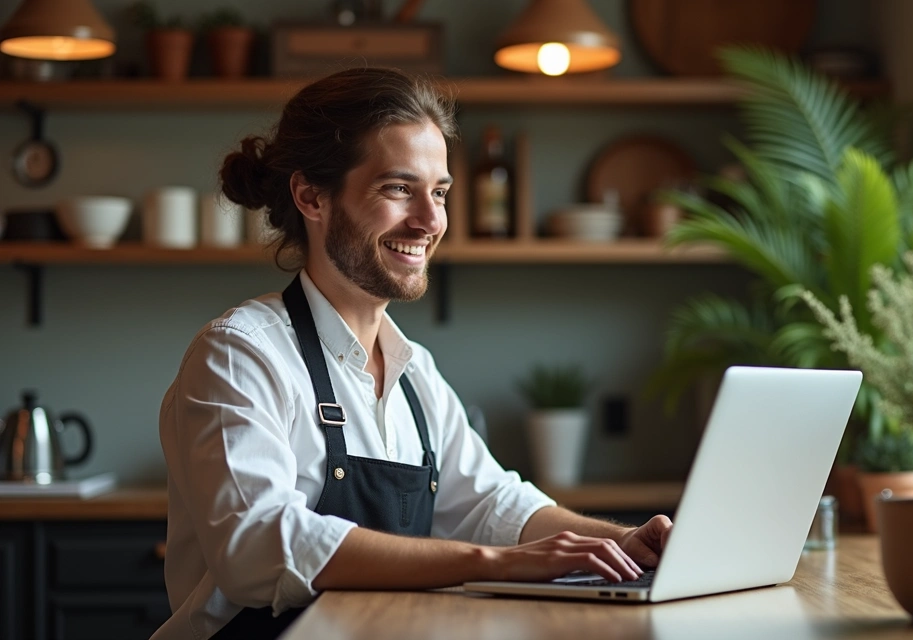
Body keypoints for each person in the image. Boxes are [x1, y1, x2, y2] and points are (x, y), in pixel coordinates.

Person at [152, 67, 672, 640]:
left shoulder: (414, 371)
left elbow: (491, 504)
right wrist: (491, 563)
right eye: (399, 189)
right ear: (311, 197)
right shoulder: (240, 354)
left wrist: (621, 542)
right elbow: (256, 548)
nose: (430, 221)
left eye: (439, 192)